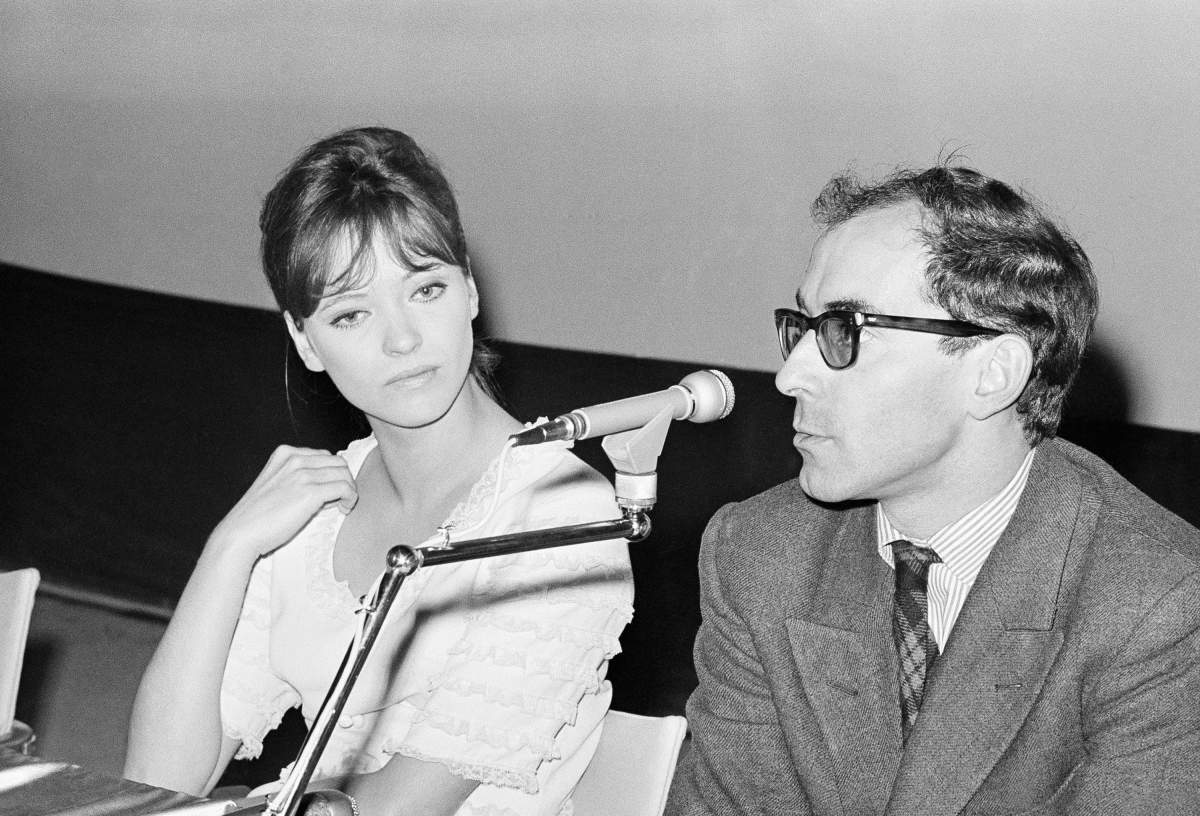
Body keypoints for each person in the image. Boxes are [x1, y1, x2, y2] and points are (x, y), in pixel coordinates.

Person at [124, 126, 634, 816]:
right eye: (352, 313)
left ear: (470, 292)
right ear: (304, 339)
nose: (401, 340)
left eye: (424, 290)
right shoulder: (313, 505)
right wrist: (228, 550)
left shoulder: (563, 513)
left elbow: (398, 810)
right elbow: (156, 782)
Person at [667, 165, 1200, 814]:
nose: (789, 376)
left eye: (844, 331)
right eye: (800, 327)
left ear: (993, 373)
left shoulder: (1161, 605)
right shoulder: (758, 552)